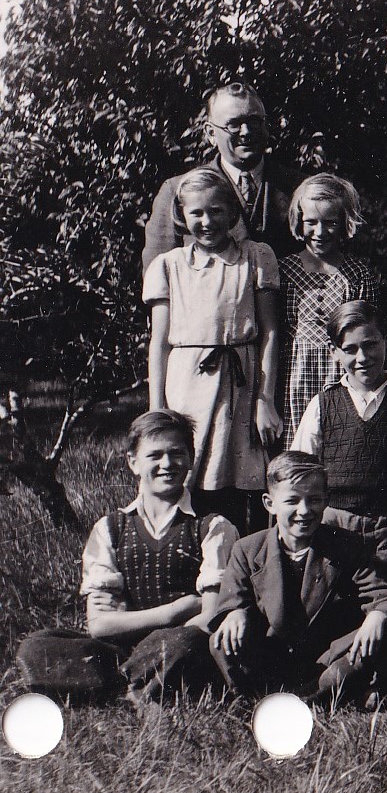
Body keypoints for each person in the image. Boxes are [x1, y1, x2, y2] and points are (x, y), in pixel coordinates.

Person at [15, 411, 237, 702]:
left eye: (176, 453)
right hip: (124, 649)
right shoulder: (110, 528)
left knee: (188, 643)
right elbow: (100, 625)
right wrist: (175, 610)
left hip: (181, 644)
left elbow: (210, 617)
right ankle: (139, 684)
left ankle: (116, 686)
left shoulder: (213, 526)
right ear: (133, 462)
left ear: (191, 458)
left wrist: (137, 625)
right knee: (36, 646)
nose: (167, 464)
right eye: (154, 455)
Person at [209, 452, 387, 706]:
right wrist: (234, 612)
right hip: (270, 658)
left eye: (314, 500)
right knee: (222, 638)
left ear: (326, 499)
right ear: (269, 503)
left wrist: (379, 613)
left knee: (377, 636)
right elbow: (231, 600)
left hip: (325, 660)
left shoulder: (347, 546)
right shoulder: (247, 549)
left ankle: (306, 698)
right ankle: (249, 698)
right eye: (292, 500)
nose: (304, 511)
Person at [143, 167, 281, 532]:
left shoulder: (255, 257)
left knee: (242, 480)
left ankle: (244, 555)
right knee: (189, 475)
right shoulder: (169, 266)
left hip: (241, 384)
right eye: (197, 213)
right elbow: (159, 342)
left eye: (217, 211)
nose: (207, 221)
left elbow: (269, 331)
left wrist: (265, 400)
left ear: (232, 212)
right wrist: (157, 408)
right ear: (182, 215)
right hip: (188, 384)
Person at [291, 300, 387, 583]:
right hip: (333, 540)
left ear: (385, 341)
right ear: (334, 352)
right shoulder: (322, 406)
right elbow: (297, 483)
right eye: (350, 349)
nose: (362, 357)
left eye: (370, 344)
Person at [141, 82, 299, 270]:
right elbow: (157, 273)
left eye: (254, 121)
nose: (246, 132)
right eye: (233, 124)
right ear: (211, 133)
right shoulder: (176, 190)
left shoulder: (299, 187)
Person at [278, 173, 382, 443]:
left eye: (330, 223)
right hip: (293, 378)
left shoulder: (358, 274)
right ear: (299, 221)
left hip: (341, 377)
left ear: (345, 223)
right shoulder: (283, 270)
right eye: (311, 222)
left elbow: (368, 338)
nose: (320, 232)